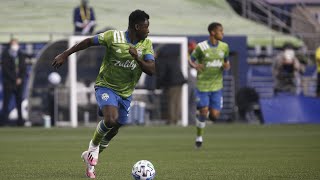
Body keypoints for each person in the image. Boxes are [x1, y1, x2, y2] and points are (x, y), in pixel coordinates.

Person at [52, 10, 155, 178]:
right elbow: (87, 42)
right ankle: (93, 147)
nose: (148, 30)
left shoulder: (146, 44)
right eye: (146, 27)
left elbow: (151, 69)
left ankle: (90, 161)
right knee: (110, 119)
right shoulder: (113, 37)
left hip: (126, 93)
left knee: (115, 127)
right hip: (106, 86)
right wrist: (65, 54)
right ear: (137, 27)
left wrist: (137, 58)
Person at [189, 22, 230, 148]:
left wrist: (226, 66)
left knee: (214, 116)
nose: (222, 33)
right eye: (220, 31)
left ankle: (210, 112)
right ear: (213, 32)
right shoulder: (201, 47)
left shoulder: (224, 47)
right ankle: (199, 137)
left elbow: (227, 63)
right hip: (203, 86)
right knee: (203, 111)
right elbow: (190, 59)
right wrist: (195, 65)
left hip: (217, 87)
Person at [156, 44, 186, 125]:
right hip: (180, 81)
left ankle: (171, 120)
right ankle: (176, 119)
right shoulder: (172, 58)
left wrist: (158, 84)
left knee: (171, 101)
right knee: (177, 101)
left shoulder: (162, 60)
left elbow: (162, 74)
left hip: (172, 83)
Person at [1, 38, 27, 127]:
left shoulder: (21, 55)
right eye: (13, 44)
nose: (15, 46)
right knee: (6, 103)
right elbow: (6, 70)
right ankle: (3, 122)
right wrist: (14, 78)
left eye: (16, 44)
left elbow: (23, 68)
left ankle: (20, 122)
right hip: (9, 83)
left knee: (19, 102)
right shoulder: (5, 55)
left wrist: (20, 78)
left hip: (19, 83)